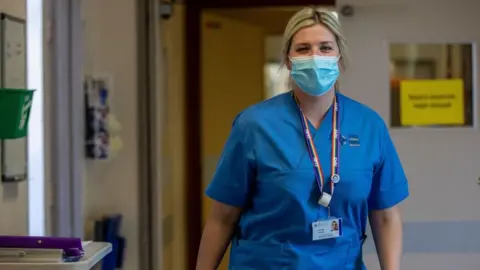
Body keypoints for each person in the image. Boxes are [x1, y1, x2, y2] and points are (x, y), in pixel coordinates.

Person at [196, 7, 409, 270]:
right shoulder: (254, 126)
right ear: (288, 59)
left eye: (325, 48)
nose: (315, 57)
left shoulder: (368, 126)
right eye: (303, 49)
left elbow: (386, 216)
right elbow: (222, 218)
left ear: (339, 57)